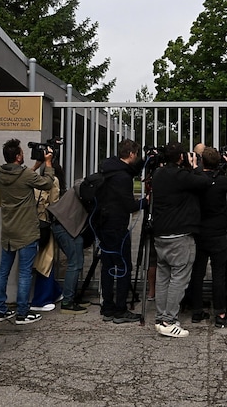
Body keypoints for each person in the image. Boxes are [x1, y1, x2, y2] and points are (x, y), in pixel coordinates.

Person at [151, 142, 212, 338]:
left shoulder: (158, 174)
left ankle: (161, 317)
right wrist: (195, 166)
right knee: (179, 277)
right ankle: (169, 320)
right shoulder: (183, 176)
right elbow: (204, 182)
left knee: (163, 277)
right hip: (179, 235)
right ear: (181, 157)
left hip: (160, 234)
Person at [0, 138, 56, 325]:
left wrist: (36, 164)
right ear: (18, 156)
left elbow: (23, 177)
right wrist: (47, 163)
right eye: (21, 153)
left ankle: (1, 310)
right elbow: (47, 183)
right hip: (26, 231)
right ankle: (22, 312)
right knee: (24, 272)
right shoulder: (24, 175)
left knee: (3, 270)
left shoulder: (0, 173)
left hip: (8, 232)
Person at [186, 147, 227, 328]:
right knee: (219, 274)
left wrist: (194, 167)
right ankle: (220, 312)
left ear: (202, 161)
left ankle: (196, 310)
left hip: (200, 231)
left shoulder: (197, 179)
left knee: (198, 272)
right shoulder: (222, 181)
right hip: (219, 232)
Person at [94, 139, 148, 324]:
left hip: (104, 224)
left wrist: (146, 159)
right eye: (137, 154)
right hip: (118, 227)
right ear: (131, 154)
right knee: (124, 267)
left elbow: (131, 170)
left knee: (108, 266)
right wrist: (146, 200)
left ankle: (107, 307)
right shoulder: (123, 178)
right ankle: (120, 310)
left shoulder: (109, 168)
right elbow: (129, 206)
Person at [47, 179, 90, 314]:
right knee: (75, 263)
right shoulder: (86, 187)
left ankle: (71, 297)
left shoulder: (85, 185)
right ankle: (67, 302)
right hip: (66, 227)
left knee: (77, 262)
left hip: (65, 226)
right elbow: (80, 187)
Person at [30, 177, 63, 312]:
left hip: (30, 223)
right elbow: (54, 202)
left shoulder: (30, 177)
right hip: (44, 223)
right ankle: (41, 299)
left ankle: (55, 292)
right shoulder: (52, 180)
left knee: (38, 261)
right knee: (46, 261)